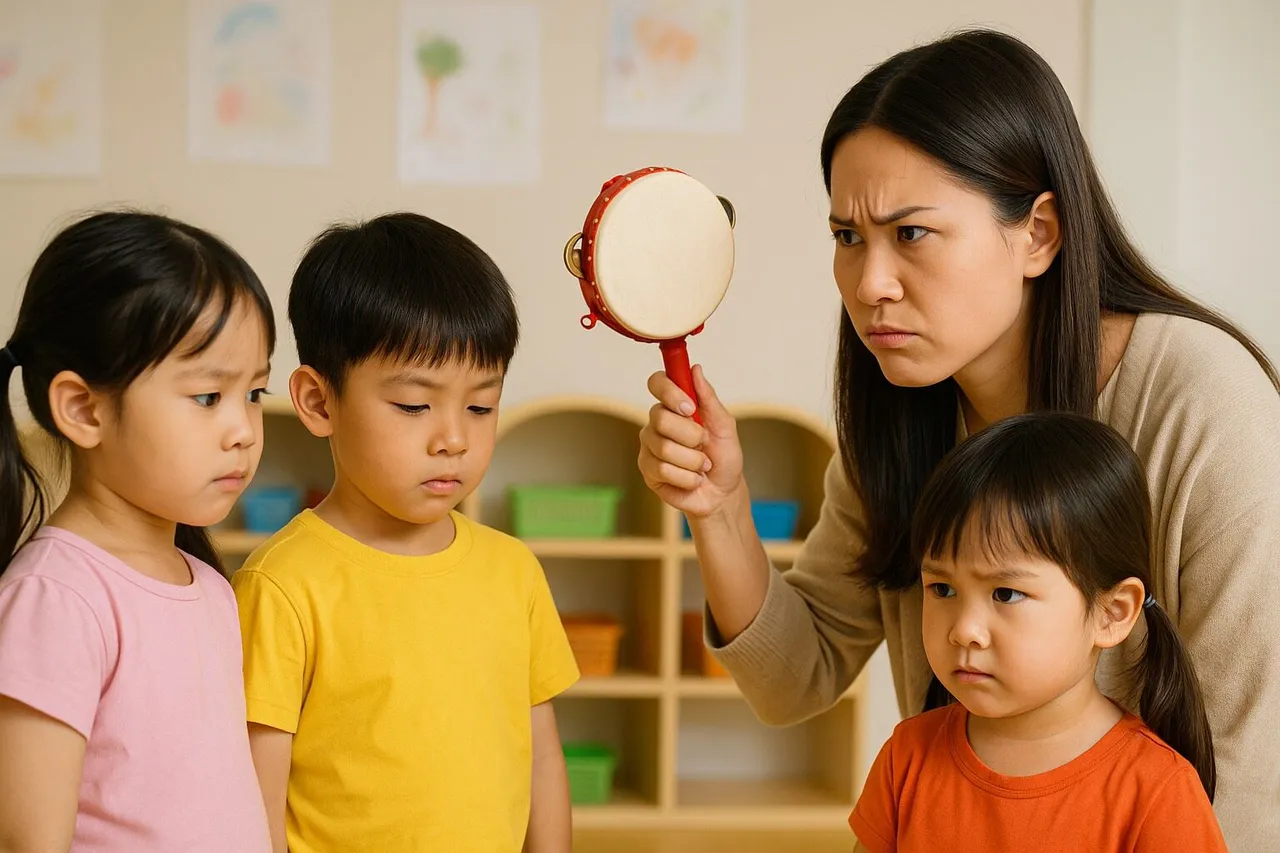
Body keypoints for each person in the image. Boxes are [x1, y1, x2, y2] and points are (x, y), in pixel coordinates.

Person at [637, 28, 1280, 851]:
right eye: (847, 237)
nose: (869, 284)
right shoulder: (904, 415)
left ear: (1038, 233)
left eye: (911, 233)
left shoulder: (1204, 402)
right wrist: (721, 508)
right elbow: (795, 678)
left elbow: (1254, 772)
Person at [232, 212, 579, 853]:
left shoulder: (513, 571)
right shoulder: (281, 585)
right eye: (415, 405)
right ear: (319, 402)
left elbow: (541, 754)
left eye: (480, 406)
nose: (453, 439)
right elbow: (258, 799)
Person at [0, 211, 275, 851]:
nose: (243, 430)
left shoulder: (208, 585)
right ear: (84, 409)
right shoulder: (55, 599)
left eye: (254, 394)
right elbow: (28, 840)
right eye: (208, 397)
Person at [848, 412, 1226, 852]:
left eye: (1006, 594)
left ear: (1111, 613)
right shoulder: (906, 758)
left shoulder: (1158, 792)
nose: (964, 631)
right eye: (943, 588)